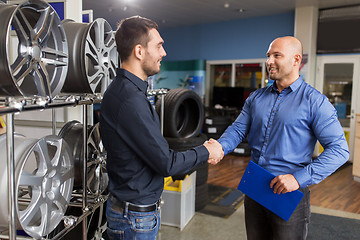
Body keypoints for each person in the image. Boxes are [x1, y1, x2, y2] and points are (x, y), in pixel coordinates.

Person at [99, 16, 223, 240]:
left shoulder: (125, 91)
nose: (163, 53)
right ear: (139, 51)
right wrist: (206, 151)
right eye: (158, 45)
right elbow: (166, 163)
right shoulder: (130, 100)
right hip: (134, 220)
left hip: (130, 213)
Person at [216, 36, 349, 240]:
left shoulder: (315, 102)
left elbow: (339, 151)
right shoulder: (256, 98)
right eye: (268, 56)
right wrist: (219, 147)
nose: (269, 61)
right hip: (255, 187)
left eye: (276, 55)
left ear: (296, 60)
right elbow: (238, 129)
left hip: (289, 193)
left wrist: (298, 178)